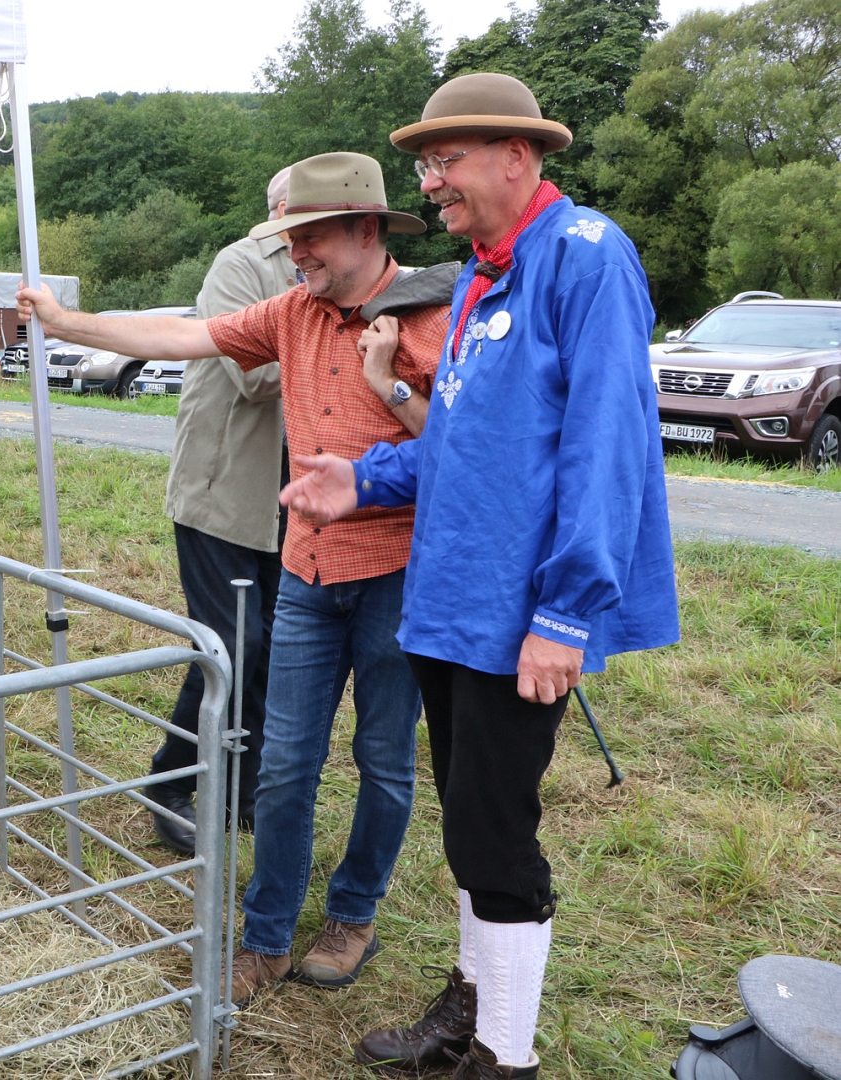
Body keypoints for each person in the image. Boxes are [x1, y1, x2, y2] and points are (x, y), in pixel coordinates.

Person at [281, 74, 679, 1079]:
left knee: (496, 831)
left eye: (445, 161)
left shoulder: (584, 257)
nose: (431, 183)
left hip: (520, 609)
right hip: (452, 601)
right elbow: (462, 443)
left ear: (517, 155)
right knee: (468, 820)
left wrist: (567, 614)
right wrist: (364, 478)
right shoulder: (475, 278)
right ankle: (470, 1008)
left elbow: (607, 447)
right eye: (425, 164)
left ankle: (504, 1056)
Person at [18, 152, 458, 999]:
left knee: (383, 758)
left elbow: (465, 451)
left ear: (366, 229)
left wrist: (386, 384)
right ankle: (266, 937)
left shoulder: (437, 315)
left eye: (312, 237)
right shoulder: (291, 311)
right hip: (308, 571)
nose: (297, 253)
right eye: (291, 238)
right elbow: (178, 336)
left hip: (399, 575)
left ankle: (352, 915)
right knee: (285, 763)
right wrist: (67, 322)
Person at [145, 166, 294, 856]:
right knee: (233, 644)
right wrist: (342, 349)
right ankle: (170, 781)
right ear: (283, 209)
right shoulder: (241, 265)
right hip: (223, 493)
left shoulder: (340, 270)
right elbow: (256, 375)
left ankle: (243, 789)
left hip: (292, 497)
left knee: (276, 648)